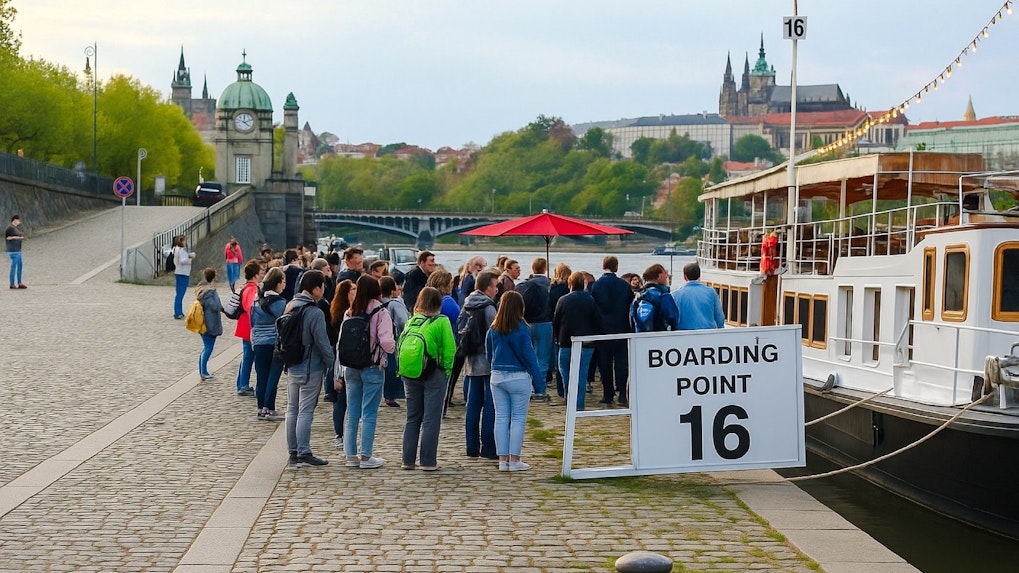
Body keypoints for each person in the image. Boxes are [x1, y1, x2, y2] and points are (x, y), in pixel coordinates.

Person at [343, 274, 396, 469]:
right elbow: (387, 343)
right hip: (373, 366)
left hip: (351, 367)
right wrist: (394, 347)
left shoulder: (350, 311)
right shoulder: (381, 312)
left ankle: (350, 456)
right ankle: (366, 456)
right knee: (370, 413)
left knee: (352, 412)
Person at [486, 291, 544, 472]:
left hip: (497, 376)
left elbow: (489, 354)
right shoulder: (522, 329)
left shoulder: (493, 329)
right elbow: (529, 357)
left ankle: (502, 460)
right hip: (518, 376)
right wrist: (540, 383)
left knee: (501, 418)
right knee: (518, 419)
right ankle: (514, 459)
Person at [399, 287, 455, 471]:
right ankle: (428, 461)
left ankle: (407, 460)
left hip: (410, 372)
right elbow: (450, 349)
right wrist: (446, 371)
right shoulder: (441, 321)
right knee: (431, 418)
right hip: (434, 372)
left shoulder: (412, 320)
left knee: (413, 417)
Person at [285, 270, 334, 468]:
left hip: (292, 364)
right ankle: (304, 451)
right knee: (305, 411)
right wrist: (331, 362)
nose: (323, 291)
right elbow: (322, 342)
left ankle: (293, 451)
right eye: (322, 287)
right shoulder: (314, 312)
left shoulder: (290, 306)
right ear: (315, 288)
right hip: (310, 366)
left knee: (292, 409)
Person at [460, 270, 499, 459]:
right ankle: (489, 448)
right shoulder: (489, 307)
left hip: (470, 360)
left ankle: (471, 447)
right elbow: (496, 334)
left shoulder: (467, 304)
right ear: (487, 287)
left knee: (473, 405)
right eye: (495, 285)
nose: (497, 289)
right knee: (490, 405)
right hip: (487, 359)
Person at [553, 271, 601, 411]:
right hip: (586, 342)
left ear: (570, 283)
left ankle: (570, 398)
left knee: (565, 370)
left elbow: (556, 321)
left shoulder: (563, 300)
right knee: (581, 372)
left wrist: (557, 338)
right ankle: (579, 403)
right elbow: (596, 321)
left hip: (566, 340)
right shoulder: (590, 300)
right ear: (584, 284)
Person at [590, 256, 633, 406]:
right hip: (621, 327)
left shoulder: (596, 285)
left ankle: (608, 394)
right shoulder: (624, 285)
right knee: (621, 362)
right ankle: (622, 392)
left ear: (603, 266)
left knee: (605, 363)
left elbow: (594, 307)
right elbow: (629, 304)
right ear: (616, 267)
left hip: (603, 329)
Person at [250, 267, 287, 421]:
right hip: (274, 342)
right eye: (283, 281)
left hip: (258, 342)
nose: (284, 284)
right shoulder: (280, 303)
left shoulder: (256, 301)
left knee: (261, 376)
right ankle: (269, 408)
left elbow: (252, 322)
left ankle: (260, 408)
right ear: (277, 283)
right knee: (273, 376)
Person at [515, 257, 552, 401]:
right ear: (545, 268)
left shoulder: (525, 284)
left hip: (527, 322)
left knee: (528, 355)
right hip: (544, 322)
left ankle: (528, 387)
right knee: (542, 357)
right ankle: (539, 388)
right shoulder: (548, 284)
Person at [328, 279, 355, 450]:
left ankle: (347, 434)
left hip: (350, 362)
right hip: (340, 362)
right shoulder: (340, 315)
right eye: (353, 289)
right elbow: (337, 346)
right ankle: (339, 434)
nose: (356, 291)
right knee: (341, 400)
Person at [233, 259, 263, 396]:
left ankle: (241, 383)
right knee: (249, 357)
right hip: (249, 326)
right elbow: (251, 307)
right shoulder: (253, 289)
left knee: (246, 356)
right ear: (255, 275)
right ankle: (243, 385)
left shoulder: (245, 287)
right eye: (260, 272)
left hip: (244, 325)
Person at [380, 276, 409, 407]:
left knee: (385, 367)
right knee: (393, 366)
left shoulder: (378, 303)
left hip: (380, 340)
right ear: (392, 291)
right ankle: (393, 394)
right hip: (394, 339)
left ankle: (386, 393)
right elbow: (404, 321)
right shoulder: (395, 304)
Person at [671, 262, 725, 330]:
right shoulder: (711, 292)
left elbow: (673, 320)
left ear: (685, 276)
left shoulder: (676, 295)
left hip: (684, 336)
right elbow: (719, 317)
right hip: (707, 334)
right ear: (699, 276)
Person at [630, 263, 680, 333]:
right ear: (660, 276)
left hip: (639, 338)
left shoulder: (638, 296)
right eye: (665, 275)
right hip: (659, 337)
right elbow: (674, 319)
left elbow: (632, 318)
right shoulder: (663, 296)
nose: (666, 277)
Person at [547, 263, 572, 398]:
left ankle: (561, 389)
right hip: (570, 325)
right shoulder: (568, 289)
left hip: (557, 326)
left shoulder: (553, 289)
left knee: (559, 361)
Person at [195, 267, 224, 381]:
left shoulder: (203, 291)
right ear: (213, 277)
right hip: (210, 324)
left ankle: (202, 370)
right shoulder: (209, 293)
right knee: (208, 348)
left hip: (204, 323)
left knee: (206, 348)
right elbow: (216, 306)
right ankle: (203, 371)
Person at [172, 235, 195, 319]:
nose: (185, 242)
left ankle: (178, 311)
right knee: (180, 293)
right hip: (183, 273)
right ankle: (178, 312)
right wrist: (190, 258)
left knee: (179, 293)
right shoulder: (181, 250)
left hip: (180, 272)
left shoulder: (177, 249)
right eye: (184, 241)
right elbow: (182, 260)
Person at [5, 214, 26, 289]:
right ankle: (12, 284)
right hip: (12, 250)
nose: (20, 222)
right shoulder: (10, 228)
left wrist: (20, 237)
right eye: (19, 221)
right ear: (14, 220)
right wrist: (17, 237)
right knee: (13, 267)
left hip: (18, 250)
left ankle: (19, 282)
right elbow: (8, 238)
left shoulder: (16, 228)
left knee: (20, 266)